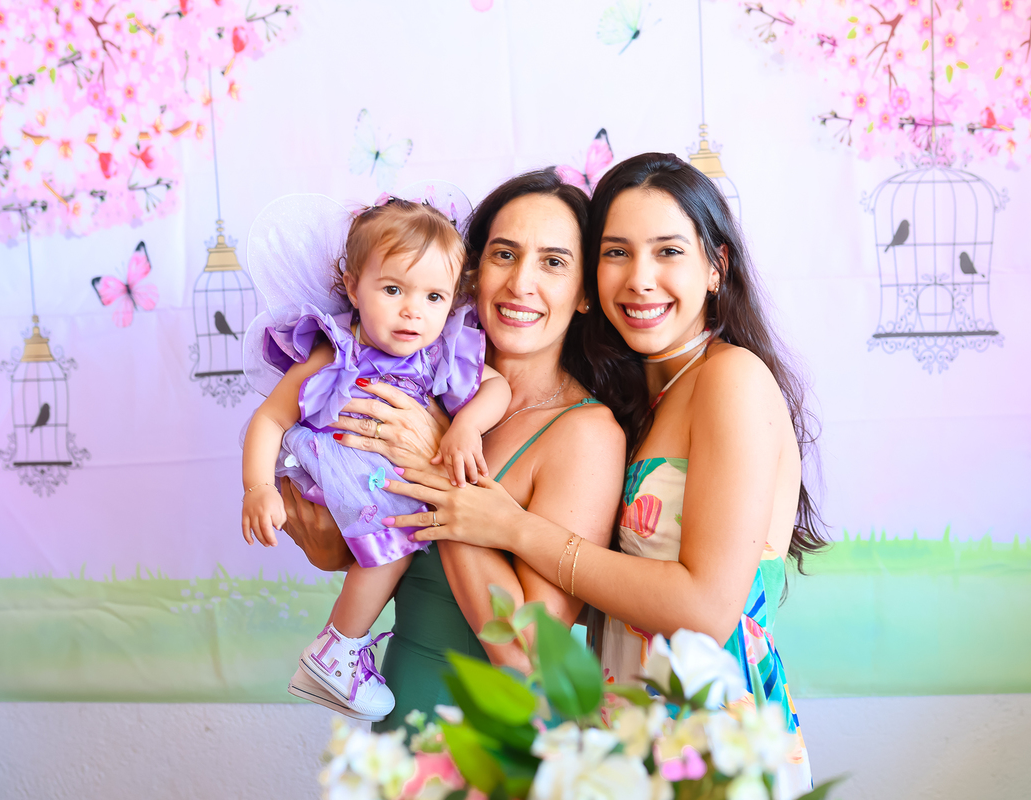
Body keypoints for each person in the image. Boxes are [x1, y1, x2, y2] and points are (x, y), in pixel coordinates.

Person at [385, 153, 822, 797]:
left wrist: (510, 526)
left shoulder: (732, 378)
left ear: (716, 266)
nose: (640, 279)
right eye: (617, 252)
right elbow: (606, 600)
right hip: (626, 738)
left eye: (668, 251)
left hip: (711, 743)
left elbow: (704, 610)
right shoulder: (645, 401)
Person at [278, 169, 629, 733]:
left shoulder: (584, 434)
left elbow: (527, 657)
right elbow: (375, 538)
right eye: (504, 254)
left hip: (491, 745)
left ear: (585, 291)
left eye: (554, 262)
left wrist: (435, 468)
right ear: (470, 273)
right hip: (399, 719)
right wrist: (330, 545)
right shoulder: (415, 387)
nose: (521, 283)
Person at [240, 198, 512, 720]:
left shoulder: (438, 352)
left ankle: (339, 647)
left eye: (434, 296)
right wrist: (258, 488)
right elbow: (270, 418)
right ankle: (339, 647)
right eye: (393, 290)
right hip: (341, 472)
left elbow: (496, 388)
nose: (413, 311)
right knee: (396, 539)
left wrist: (466, 427)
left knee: (399, 539)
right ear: (352, 287)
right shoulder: (335, 351)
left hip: (385, 477)